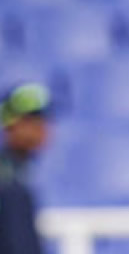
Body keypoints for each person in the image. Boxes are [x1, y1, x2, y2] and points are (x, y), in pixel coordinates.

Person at [0, 83, 51, 254]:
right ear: (11, 124)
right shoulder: (9, 182)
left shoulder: (20, 172)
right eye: (33, 120)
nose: (42, 128)